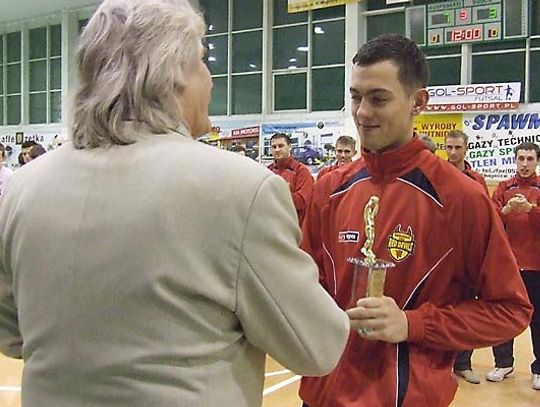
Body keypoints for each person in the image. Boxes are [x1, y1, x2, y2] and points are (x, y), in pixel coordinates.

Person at [0, 1, 351, 406]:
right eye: (202, 61)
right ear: (174, 75)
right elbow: (316, 345)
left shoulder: (23, 189)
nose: (210, 79)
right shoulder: (240, 189)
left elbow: (12, 334)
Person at [299, 33, 532, 407]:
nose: (362, 112)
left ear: (418, 102)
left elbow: (510, 310)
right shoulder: (330, 189)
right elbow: (307, 289)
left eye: (379, 98)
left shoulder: (461, 198)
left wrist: (413, 324)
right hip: (321, 395)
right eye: (356, 97)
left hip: (405, 397)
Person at [486, 142, 540, 390]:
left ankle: (539, 369)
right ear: (515, 160)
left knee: (538, 320)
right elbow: (489, 220)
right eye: (521, 158)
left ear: (537, 161)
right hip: (507, 265)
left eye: (530, 159)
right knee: (503, 315)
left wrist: (532, 210)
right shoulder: (504, 188)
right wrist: (506, 210)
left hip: (537, 267)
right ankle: (503, 362)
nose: (525, 164)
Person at [445, 129, 488, 385]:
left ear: (466, 149)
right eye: (449, 147)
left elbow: (485, 216)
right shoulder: (436, 175)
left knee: (467, 310)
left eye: (457, 148)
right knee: (441, 308)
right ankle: (440, 363)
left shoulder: (477, 180)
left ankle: (463, 363)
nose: (452, 152)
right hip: (441, 255)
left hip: (468, 255)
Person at [268, 133, 314, 225]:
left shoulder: (301, 171)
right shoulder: (268, 171)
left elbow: (302, 203)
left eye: (281, 146)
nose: (277, 150)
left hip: (293, 229)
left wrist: (279, 191)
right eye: (274, 147)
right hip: (271, 227)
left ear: (289, 147)